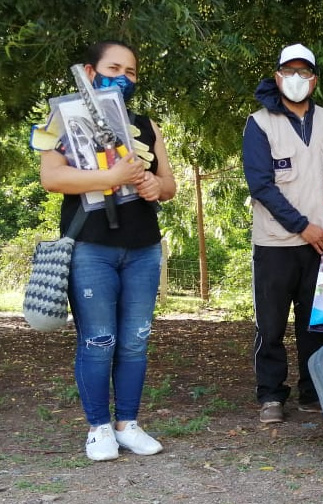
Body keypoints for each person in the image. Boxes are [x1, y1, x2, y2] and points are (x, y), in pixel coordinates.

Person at [38, 40, 176, 461]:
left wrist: (155, 186)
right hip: (90, 247)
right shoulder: (60, 120)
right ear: (89, 70)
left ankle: (128, 425)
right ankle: (99, 428)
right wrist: (110, 175)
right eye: (114, 67)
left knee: (135, 340)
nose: (123, 76)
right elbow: (52, 178)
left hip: (143, 247)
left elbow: (168, 185)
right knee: (98, 340)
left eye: (131, 71)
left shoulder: (145, 123)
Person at [242, 43, 323, 424]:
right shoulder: (260, 123)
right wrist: (302, 227)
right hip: (276, 243)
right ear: (278, 75)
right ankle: (271, 394)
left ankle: (314, 393)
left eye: (304, 72)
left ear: (314, 80)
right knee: (271, 323)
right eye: (289, 71)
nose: (297, 79)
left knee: (315, 324)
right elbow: (261, 186)